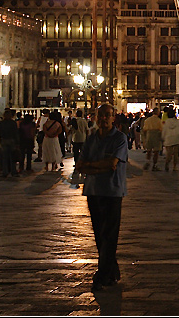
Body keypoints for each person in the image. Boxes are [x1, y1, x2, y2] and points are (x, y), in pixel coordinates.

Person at [74, 104, 128, 292]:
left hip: (112, 191)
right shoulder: (91, 139)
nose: (104, 119)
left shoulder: (120, 138)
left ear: (114, 118)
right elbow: (81, 165)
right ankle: (112, 271)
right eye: (101, 115)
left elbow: (112, 162)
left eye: (108, 115)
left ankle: (101, 275)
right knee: (99, 234)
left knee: (109, 235)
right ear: (95, 118)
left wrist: (92, 167)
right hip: (93, 191)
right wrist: (100, 166)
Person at [161, 107, 179, 172]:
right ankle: (174, 166)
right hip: (176, 139)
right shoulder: (178, 122)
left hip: (168, 139)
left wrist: (163, 137)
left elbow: (164, 130)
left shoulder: (166, 122)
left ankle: (167, 163)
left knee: (169, 153)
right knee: (175, 153)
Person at [0, 109, 21, 177]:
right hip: (12, 140)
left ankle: (5, 171)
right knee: (12, 157)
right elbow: (16, 133)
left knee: (4, 157)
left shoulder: (1, 123)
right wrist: (17, 143)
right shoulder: (13, 123)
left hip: (4, 140)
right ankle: (13, 171)